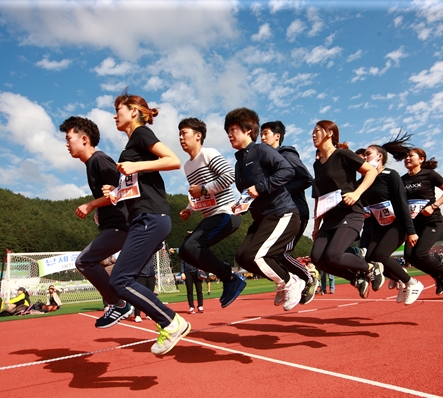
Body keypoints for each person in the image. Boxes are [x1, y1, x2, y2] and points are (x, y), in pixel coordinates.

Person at [102, 91, 190, 356]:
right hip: (144, 217)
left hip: (152, 217)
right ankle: (169, 322)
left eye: (118, 109)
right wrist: (116, 192)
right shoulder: (130, 147)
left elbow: (173, 161)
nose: (114, 115)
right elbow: (137, 185)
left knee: (120, 280)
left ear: (133, 111)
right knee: (124, 279)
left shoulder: (141, 134)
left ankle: (172, 322)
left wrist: (135, 167)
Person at [226, 107, 305, 311]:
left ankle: (290, 283)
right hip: (262, 218)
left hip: (282, 213)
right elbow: (249, 193)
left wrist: (260, 187)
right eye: (228, 130)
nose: (229, 134)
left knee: (255, 255)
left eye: (233, 129)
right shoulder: (239, 163)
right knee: (243, 256)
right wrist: (240, 205)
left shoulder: (262, 150)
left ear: (248, 131)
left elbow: (287, 171)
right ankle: (284, 281)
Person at [60, 116, 132, 329]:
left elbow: (121, 190)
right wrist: (100, 208)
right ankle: (124, 304)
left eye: (69, 137)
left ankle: (119, 304)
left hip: (121, 225)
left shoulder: (99, 160)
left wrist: (91, 204)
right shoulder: (91, 164)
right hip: (113, 225)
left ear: (84, 139)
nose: (66, 143)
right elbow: (109, 195)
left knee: (84, 261)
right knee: (91, 264)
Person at [177, 117, 244, 309]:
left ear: (198, 136)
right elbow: (198, 194)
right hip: (210, 217)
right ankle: (229, 278)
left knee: (191, 245)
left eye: (184, 133)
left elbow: (229, 175)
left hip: (226, 214)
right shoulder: (188, 166)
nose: (181, 138)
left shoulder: (208, 153)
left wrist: (204, 189)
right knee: (184, 252)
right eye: (179, 134)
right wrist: (189, 209)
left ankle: (230, 278)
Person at [309, 120, 379, 299]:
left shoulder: (342, 154)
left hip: (350, 212)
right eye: (313, 131)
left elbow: (371, 171)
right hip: (329, 218)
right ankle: (356, 278)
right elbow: (318, 198)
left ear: (329, 133)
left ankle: (370, 267)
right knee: (317, 259)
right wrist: (316, 227)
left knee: (333, 255)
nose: (313, 134)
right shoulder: (317, 165)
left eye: (317, 130)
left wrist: (356, 193)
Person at [360, 133, 425, 305]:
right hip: (379, 226)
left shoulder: (391, 175)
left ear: (379, 156)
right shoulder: (366, 179)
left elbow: (402, 203)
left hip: (398, 224)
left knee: (381, 255)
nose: (365, 157)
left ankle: (413, 283)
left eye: (368, 154)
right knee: (370, 260)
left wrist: (411, 231)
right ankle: (402, 279)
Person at [260, 120, 316, 305]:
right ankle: (286, 284)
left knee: (279, 252)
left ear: (277, 136)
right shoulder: (267, 161)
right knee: (262, 253)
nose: (262, 137)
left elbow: (306, 178)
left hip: (296, 212)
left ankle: (308, 279)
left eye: (265, 133)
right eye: (260, 134)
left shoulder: (285, 154)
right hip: (279, 213)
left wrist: (280, 190)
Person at [400, 147, 443, 298]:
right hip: (414, 226)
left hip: (432, 222)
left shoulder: (429, 174)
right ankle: (438, 277)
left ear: (421, 159)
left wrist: (434, 206)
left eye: (410, 156)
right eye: (406, 156)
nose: (407, 158)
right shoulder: (402, 180)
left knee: (420, 254)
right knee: (409, 256)